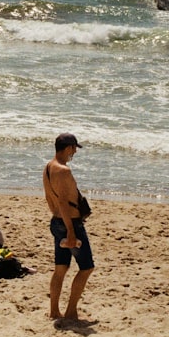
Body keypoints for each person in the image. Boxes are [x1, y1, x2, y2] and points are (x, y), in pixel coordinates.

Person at [43, 132, 95, 322]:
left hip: (57, 222)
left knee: (61, 268)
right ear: (68, 148)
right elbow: (64, 203)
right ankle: (71, 311)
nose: (75, 152)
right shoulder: (63, 171)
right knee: (86, 268)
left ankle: (54, 311)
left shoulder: (49, 167)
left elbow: (52, 199)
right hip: (69, 224)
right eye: (74, 148)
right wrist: (71, 232)